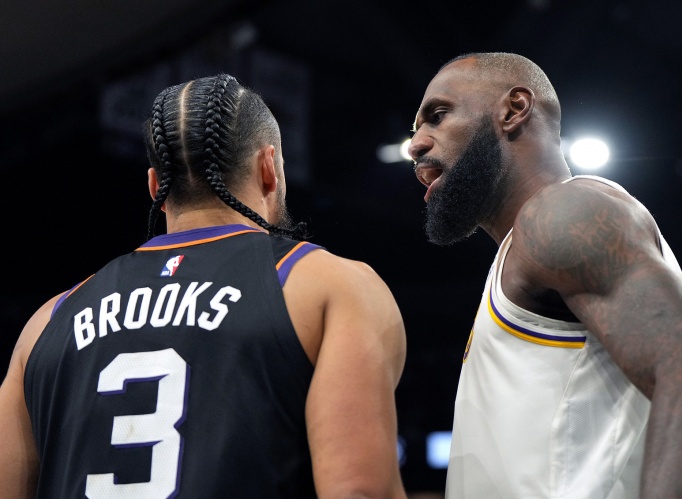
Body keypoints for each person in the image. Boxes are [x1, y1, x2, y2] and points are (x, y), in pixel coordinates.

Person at [0, 74, 408, 498]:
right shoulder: (330, 286)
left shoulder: (46, 322)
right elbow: (360, 491)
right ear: (269, 168)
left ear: (156, 187)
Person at [408, 52, 682, 498]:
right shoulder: (525, 246)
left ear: (513, 110)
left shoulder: (564, 213)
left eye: (437, 115)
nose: (416, 145)